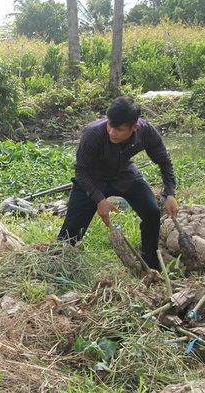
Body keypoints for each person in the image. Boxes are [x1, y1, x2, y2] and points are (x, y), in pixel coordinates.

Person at [57, 96, 179, 270]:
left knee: (152, 212)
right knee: (69, 236)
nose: (112, 132)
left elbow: (164, 161)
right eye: (110, 125)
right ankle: (61, 270)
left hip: (125, 176)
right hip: (92, 181)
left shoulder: (146, 132)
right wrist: (99, 199)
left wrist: (170, 193)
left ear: (134, 128)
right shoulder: (93, 133)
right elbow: (81, 171)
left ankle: (150, 266)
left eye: (119, 129)